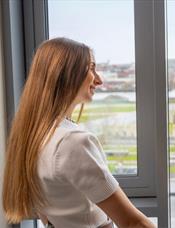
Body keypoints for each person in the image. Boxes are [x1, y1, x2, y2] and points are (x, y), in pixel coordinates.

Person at [2, 38, 155, 228]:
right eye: (91, 68)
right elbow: (133, 222)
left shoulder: (34, 135)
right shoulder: (72, 142)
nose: (99, 80)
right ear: (65, 74)